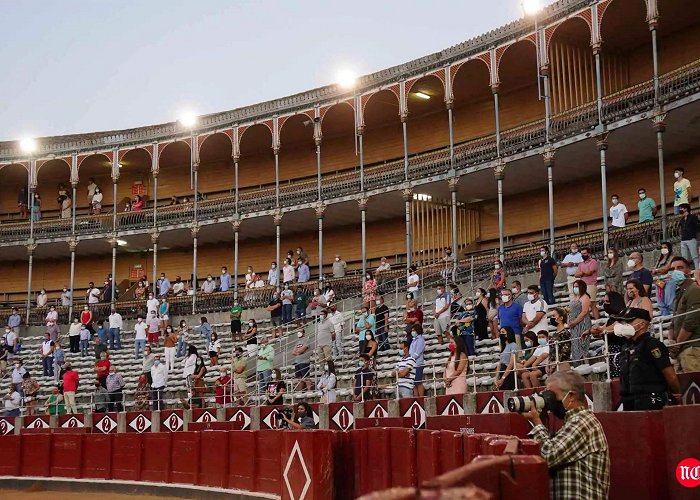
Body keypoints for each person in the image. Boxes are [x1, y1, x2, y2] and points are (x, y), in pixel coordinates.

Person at [523, 370, 610, 499]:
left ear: (571, 396)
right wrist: (542, 421)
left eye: (552, 396)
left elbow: (548, 455)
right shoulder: (572, 423)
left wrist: (537, 422)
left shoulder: (582, 422)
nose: (549, 401)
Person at [612, 307, 681, 410]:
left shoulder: (653, 345)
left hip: (649, 398)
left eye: (627, 322)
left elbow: (670, 375)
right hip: (628, 400)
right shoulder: (626, 346)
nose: (623, 325)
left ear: (642, 324)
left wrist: (676, 393)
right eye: (622, 322)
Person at [668, 257, 700, 373]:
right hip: (681, 351)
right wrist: (671, 341)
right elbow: (673, 322)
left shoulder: (694, 289)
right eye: (673, 269)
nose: (676, 271)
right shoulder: (678, 294)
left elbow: (691, 321)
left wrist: (677, 344)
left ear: (688, 270)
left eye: (680, 268)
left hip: (693, 348)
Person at [568, 279, 592, 363]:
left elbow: (584, 312)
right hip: (574, 326)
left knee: (582, 345)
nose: (575, 288)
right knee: (575, 345)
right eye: (574, 287)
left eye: (577, 287)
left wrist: (575, 322)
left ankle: (585, 364)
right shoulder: (575, 297)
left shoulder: (585, 297)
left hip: (582, 324)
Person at [652, 242, 676, 317]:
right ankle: (665, 319)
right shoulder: (659, 260)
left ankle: (672, 317)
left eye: (665, 247)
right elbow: (653, 270)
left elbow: (666, 268)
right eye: (662, 247)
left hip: (669, 280)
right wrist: (657, 270)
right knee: (661, 303)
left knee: (669, 301)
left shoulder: (672, 257)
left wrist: (657, 270)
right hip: (660, 282)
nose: (663, 249)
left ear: (669, 249)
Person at [678, 203, 699, 268]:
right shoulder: (682, 219)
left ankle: (697, 270)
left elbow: (698, 227)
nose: (680, 209)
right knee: (684, 258)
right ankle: (686, 271)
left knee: (695, 256)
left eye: (681, 208)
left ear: (686, 209)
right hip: (683, 240)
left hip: (691, 239)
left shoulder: (693, 217)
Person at [409, 324, 426, 397]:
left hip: (418, 363)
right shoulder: (413, 340)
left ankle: (421, 397)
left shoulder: (421, 340)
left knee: (418, 382)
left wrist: (412, 358)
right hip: (412, 364)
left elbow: (418, 352)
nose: (412, 332)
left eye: (413, 330)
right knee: (413, 383)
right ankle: (416, 397)